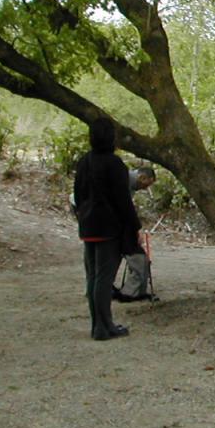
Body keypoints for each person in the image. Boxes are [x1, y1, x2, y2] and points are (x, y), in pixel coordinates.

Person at [73, 117, 142, 341]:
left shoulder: (84, 162)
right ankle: (103, 327)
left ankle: (99, 324)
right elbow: (123, 200)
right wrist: (134, 226)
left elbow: (78, 194)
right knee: (103, 278)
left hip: (88, 226)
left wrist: (83, 216)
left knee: (93, 276)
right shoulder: (114, 164)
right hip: (108, 228)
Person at [115, 166, 158, 303]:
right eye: (146, 184)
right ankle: (130, 292)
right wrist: (135, 229)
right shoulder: (124, 179)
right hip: (113, 223)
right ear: (142, 177)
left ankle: (130, 290)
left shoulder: (130, 183)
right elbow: (125, 208)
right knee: (135, 256)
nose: (145, 189)